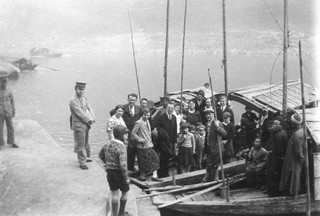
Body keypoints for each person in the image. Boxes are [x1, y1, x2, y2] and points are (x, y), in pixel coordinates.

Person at [99, 125, 132, 216]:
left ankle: (114, 215)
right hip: (119, 173)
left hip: (110, 172)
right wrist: (126, 178)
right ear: (122, 135)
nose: (127, 136)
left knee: (114, 193)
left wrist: (107, 164)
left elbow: (100, 155)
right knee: (125, 192)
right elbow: (123, 165)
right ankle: (121, 214)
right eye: (126, 134)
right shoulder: (121, 147)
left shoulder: (108, 143)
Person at [69, 81, 95, 170]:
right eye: (79, 89)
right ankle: (82, 162)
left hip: (86, 124)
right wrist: (89, 119)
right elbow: (79, 113)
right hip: (79, 125)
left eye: (83, 89)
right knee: (80, 144)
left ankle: (86, 157)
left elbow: (89, 108)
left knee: (86, 142)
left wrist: (93, 117)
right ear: (75, 89)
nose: (81, 91)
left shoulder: (84, 99)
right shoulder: (73, 100)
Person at [131, 108, 161, 182]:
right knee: (143, 161)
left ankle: (152, 175)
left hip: (149, 144)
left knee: (154, 158)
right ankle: (144, 176)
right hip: (142, 146)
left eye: (149, 115)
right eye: (146, 115)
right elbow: (133, 133)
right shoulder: (138, 123)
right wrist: (139, 139)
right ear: (142, 114)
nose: (147, 117)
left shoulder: (147, 121)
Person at [279, 114, 305, 196]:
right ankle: (293, 190)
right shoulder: (299, 132)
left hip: (294, 158)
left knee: (294, 174)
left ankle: (294, 190)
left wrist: (301, 158)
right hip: (292, 156)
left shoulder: (298, 134)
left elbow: (298, 149)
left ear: (294, 123)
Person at [202, 108, 227, 182]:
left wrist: (217, 127)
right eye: (207, 114)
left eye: (210, 114)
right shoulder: (207, 124)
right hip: (209, 147)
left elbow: (224, 133)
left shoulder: (217, 122)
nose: (208, 116)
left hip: (217, 147)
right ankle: (208, 178)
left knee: (215, 163)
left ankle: (215, 178)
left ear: (213, 114)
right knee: (209, 163)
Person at [154, 102, 177, 178]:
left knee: (167, 157)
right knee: (162, 157)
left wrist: (174, 142)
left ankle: (166, 173)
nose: (170, 109)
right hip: (162, 141)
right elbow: (156, 126)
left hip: (170, 141)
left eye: (172, 108)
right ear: (166, 108)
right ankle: (161, 174)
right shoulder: (161, 117)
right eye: (169, 108)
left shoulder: (174, 117)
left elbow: (175, 129)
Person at [266, 116, 287, 197]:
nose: (273, 126)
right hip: (275, 156)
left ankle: (274, 192)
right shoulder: (276, 133)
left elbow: (281, 148)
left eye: (276, 124)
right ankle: (273, 191)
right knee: (272, 174)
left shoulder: (281, 134)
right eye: (273, 124)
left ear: (281, 125)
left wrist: (273, 152)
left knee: (275, 174)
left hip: (278, 157)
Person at [122, 93, 142, 172]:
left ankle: (131, 167)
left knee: (133, 149)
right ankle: (125, 167)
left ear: (136, 101)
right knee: (126, 150)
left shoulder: (139, 109)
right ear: (127, 99)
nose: (131, 102)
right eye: (130, 100)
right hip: (125, 131)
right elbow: (112, 113)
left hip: (134, 132)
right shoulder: (123, 107)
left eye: (133, 100)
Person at [0, 75, 18, 149]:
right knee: (0, 128)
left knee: (10, 127)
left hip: (8, 111)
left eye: (5, 82)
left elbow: (12, 101)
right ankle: (0, 144)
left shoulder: (9, 91)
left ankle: (12, 142)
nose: (4, 84)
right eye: (2, 82)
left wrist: (13, 110)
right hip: (0, 112)